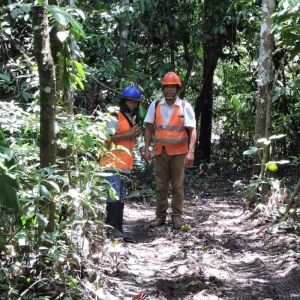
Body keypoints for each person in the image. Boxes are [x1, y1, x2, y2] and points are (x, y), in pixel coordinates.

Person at [144, 72, 196, 229]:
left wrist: (191, 151)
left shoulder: (185, 106)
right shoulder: (155, 105)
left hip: (179, 152)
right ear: (163, 88)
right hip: (161, 151)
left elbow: (192, 130)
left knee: (177, 185)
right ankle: (160, 217)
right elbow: (149, 128)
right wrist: (147, 149)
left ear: (177, 89)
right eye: (167, 87)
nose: (169, 90)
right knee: (161, 185)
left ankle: (177, 217)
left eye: (172, 87)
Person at [100, 86, 142, 240]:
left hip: (124, 165)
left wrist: (133, 134)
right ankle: (112, 230)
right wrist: (129, 134)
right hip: (112, 164)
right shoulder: (114, 115)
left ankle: (119, 228)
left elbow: (126, 139)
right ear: (124, 101)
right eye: (130, 102)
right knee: (113, 196)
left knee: (120, 196)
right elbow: (107, 138)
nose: (133, 105)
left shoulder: (130, 117)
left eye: (135, 103)